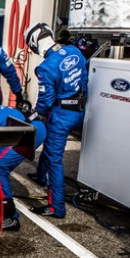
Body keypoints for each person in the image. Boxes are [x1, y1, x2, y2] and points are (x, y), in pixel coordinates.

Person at [23, 21, 88, 218]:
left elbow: (46, 100)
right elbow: (85, 80)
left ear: (34, 43)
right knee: (50, 143)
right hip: (80, 111)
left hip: (61, 115)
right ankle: (40, 176)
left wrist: (34, 114)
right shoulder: (74, 51)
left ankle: (56, 207)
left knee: (54, 159)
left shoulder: (45, 67)